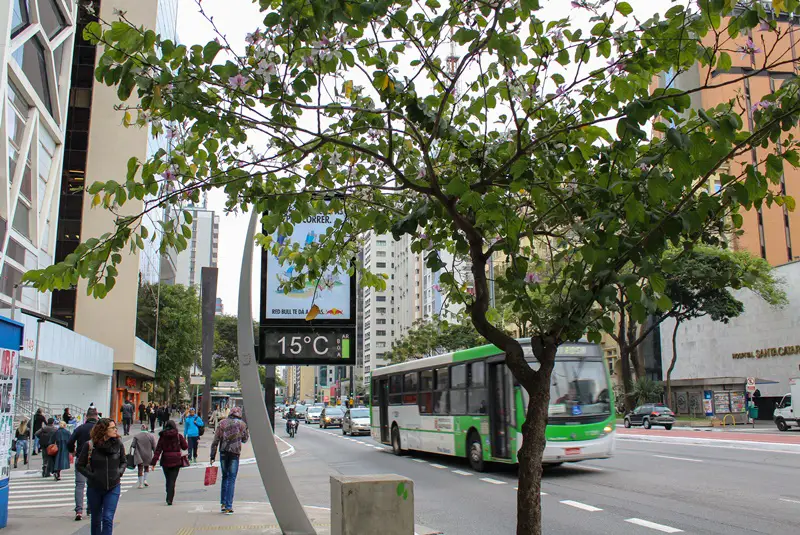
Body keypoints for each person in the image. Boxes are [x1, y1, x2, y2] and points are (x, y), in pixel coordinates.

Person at [77, 418, 125, 535]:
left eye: (115, 427)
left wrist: (119, 472)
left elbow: (124, 461)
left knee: (108, 518)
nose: (115, 430)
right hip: (95, 487)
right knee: (96, 520)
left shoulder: (118, 443)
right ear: (103, 430)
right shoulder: (90, 445)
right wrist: (92, 476)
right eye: (112, 428)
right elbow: (80, 465)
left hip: (113, 486)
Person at [210, 406, 249, 514]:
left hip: (223, 452)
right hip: (235, 454)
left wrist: (212, 455)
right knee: (231, 478)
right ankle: (228, 505)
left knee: (225, 477)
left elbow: (216, 440)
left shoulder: (222, 423)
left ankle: (223, 503)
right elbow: (245, 439)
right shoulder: (242, 424)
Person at [68, 407, 99, 521]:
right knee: (93, 484)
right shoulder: (98, 429)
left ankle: (79, 510)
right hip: (96, 460)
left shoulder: (80, 428)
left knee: (80, 485)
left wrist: (73, 450)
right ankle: (90, 508)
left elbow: (70, 442)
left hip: (81, 458)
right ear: (96, 416)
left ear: (86, 417)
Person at [151, 420, 188, 505]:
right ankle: (170, 498)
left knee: (168, 479)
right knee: (172, 480)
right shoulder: (178, 436)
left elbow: (158, 450)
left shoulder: (163, 437)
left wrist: (153, 462)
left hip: (166, 460)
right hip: (176, 460)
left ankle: (168, 492)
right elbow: (185, 447)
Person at [131, 424, 156, 489]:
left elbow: (133, 445)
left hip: (139, 454)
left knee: (140, 469)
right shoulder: (151, 436)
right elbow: (154, 447)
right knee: (146, 467)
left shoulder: (136, 436)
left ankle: (140, 484)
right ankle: (145, 480)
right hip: (148, 454)